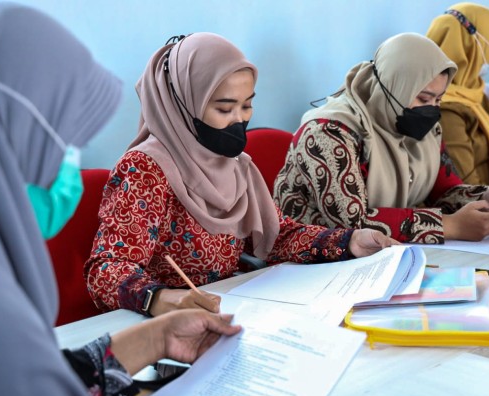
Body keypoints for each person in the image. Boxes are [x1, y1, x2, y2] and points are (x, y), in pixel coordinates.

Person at [0, 3, 244, 396]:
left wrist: (157, 338)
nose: (69, 162)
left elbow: (49, 383)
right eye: (57, 141)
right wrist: (156, 301)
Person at [85, 33, 398, 317]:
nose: (239, 120)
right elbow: (105, 270)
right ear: (184, 105)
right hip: (164, 330)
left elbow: (278, 238)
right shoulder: (145, 169)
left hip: (229, 313)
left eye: (247, 106)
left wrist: (349, 241)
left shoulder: (235, 164)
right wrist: (162, 299)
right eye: (224, 109)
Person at [272, 33, 489, 245]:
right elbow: (352, 223)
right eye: (423, 98)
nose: (432, 109)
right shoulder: (328, 133)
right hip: (307, 260)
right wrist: (450, 226)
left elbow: (443, 191)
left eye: (438, 99)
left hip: (383, 256)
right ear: (393, 86)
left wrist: (486, 198)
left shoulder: (422, 129)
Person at [426, 3, 489, 186]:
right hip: (473, 206)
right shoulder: (446, 108)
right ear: (472, 44)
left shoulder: (474, 95)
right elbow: (466, 185)